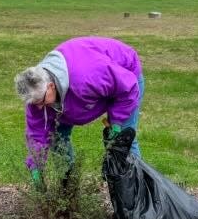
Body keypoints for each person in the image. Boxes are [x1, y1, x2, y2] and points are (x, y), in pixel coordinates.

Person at [14, 36, 144, 182]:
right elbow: (37, 135)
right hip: (77, 92)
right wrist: (36, 166)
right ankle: (68, 186)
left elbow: (128, 87)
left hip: (124, 79)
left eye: (41, 101)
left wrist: (117, 124)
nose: (38, 107)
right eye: (34, 103)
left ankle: (136, 191)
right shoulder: (37, 93)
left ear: (51, 86)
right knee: (58, 138)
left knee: (123, 142)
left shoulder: (87, 77)